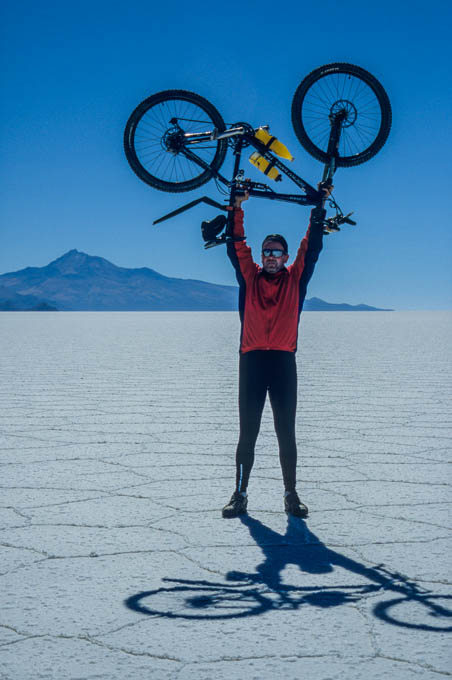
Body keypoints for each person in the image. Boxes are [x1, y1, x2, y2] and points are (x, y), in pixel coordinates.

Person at [222, 185, 331, 518]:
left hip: (283, 363)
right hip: (252, 362)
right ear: (262, 255)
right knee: (248, 433)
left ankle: (291, 495)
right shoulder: (249, 278)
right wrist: (236, 208)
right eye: (267, 251)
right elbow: (235, 246)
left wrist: (318, 209)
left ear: (285, 257)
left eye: (277, 252)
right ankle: (239, 495)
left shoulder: (295, 281)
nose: (271, 256)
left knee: (286, 432)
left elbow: (310, 249)